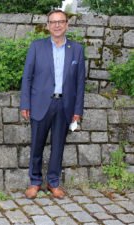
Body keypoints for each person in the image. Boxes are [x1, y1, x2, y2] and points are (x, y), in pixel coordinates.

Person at [20, 10, 85, 199]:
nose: (57, 25)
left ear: (67, 25)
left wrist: (77, 110)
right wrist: (25, 104)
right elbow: (27, 78)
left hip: (65, 105)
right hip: (40, 104)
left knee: (58, 147)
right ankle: (34, 182)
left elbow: (80, 83)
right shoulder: (36, 47)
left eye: (61, 22)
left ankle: (54, 182)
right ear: (47, 25)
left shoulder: (77, 49)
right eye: (53, 22)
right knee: (37, 146)